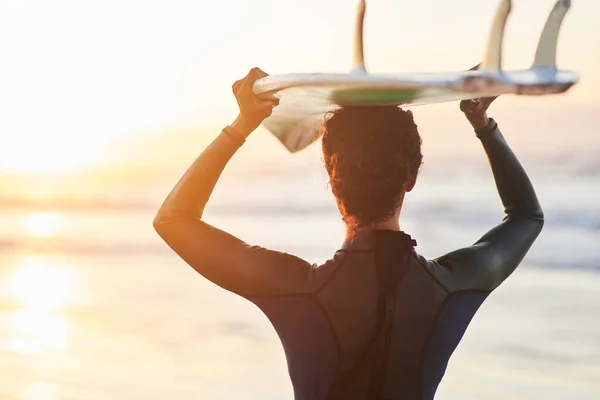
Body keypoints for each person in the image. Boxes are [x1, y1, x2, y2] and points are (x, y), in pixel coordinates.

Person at [153, 67, 544, 400]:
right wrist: (483, 125)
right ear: (411, 177)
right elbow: (526, 216)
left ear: (331, 176)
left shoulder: (294, 287)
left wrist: (241, 125)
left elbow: (174, 219)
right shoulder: (454, 284)